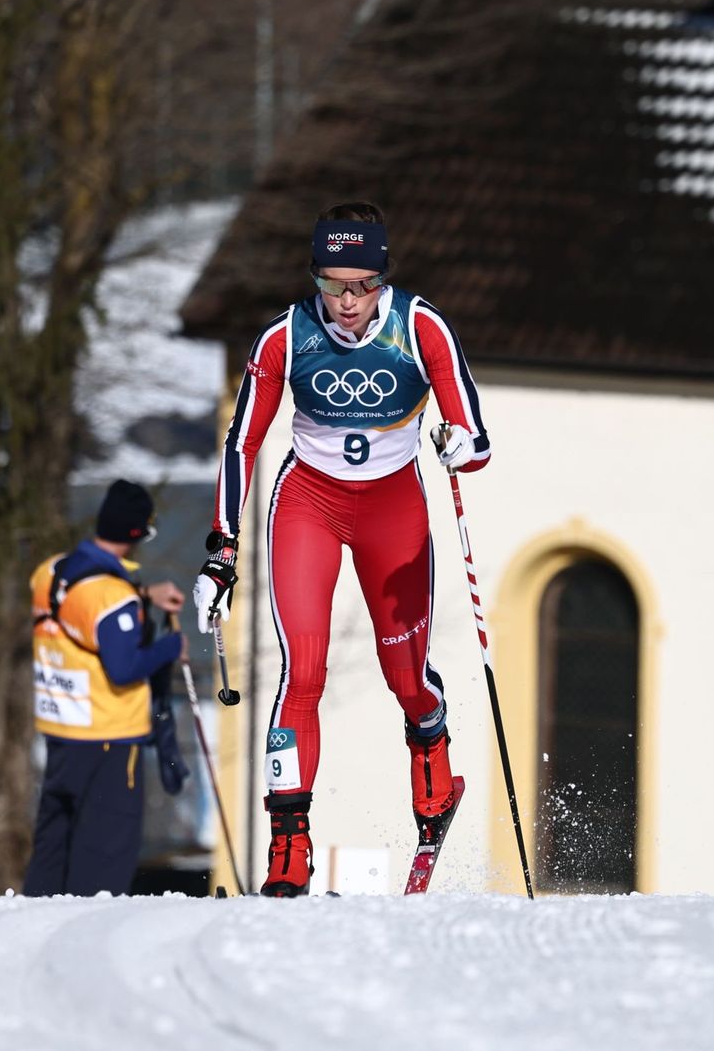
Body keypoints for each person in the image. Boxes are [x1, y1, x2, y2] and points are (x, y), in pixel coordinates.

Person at [192, 201, 490, 897]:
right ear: (315, 279)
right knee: (303, 672)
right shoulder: (285, 337)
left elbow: (474, 434)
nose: (348, 303)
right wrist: (220, 549)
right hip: (310, 505)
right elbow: (242, 440)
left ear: (383, 279)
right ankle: (289, 848)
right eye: (333, 285)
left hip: (393, 509)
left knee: (405, 675)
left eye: (363, 286)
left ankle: (433, 755)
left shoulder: (420, 326)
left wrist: (460, 446)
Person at [25, 479, 188, 896]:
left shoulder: (51, 571)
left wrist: (144, 593)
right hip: (109, 740)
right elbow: (124, 667)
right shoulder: (114, 598)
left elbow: (84, 602)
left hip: (61, 731)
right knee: (102, 862)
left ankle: (30, 933)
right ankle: (82, 947)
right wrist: (171, 646)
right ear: (138, 534)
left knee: (53, 849)